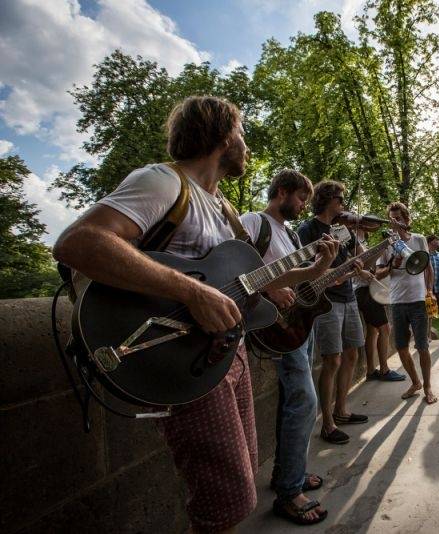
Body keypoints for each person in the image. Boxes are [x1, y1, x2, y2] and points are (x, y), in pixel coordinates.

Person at [53, 96, 333, 530]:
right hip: (183, 359)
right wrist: (192, 292)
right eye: (242, 134)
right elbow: (79, 242)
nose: (247, 145)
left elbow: (249, 283)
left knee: (238, 489)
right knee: (226, 500)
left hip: (226, 356)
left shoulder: (223, 211)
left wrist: (312, 271)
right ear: (224, 138)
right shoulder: (164, 182)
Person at [240, 169, 339, 525]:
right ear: (281, 192)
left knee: (291, 401)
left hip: (299, 325)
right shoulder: (254, 222)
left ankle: (288, 473)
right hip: (274, 327)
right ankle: (289, 492)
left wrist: (328, 270)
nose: (303, 205)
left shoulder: (292, 236)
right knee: (304, 400)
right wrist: (268, 289)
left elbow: (301, 284)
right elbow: (238, 270)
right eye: (299, 197)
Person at [298, 181, 368, 446]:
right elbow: (305, 270)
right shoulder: (308, 229)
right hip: (326, 302)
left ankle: (342, 410)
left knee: (352, 353)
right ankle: (327, 423)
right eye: (340, 199)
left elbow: (357, 257)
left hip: (349, 297)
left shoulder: (342, 229)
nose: (343, 204)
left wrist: (361, 257)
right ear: (327, 199)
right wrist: (331, 275)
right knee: (332, 360)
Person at [376, 202, 438, 405]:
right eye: (392, 218)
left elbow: (428, 268)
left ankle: (428, 386)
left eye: (399, 218)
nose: (395, 222)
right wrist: (391, 266)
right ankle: (415, 382)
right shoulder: (387, 244)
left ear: (406, 219)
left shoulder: (419, 239)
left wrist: (429, 290)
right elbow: (378, 273)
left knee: (422, 346)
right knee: (402, 347)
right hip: (397, 301)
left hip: (418, 299)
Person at [353, 229, 406, 382]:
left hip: (364, 292)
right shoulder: (354, 241)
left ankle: (370, 370)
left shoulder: (362, 243)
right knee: (385, 329)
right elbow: (372, 273)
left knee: (372, 331)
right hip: (365, 292)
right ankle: (384, 370)